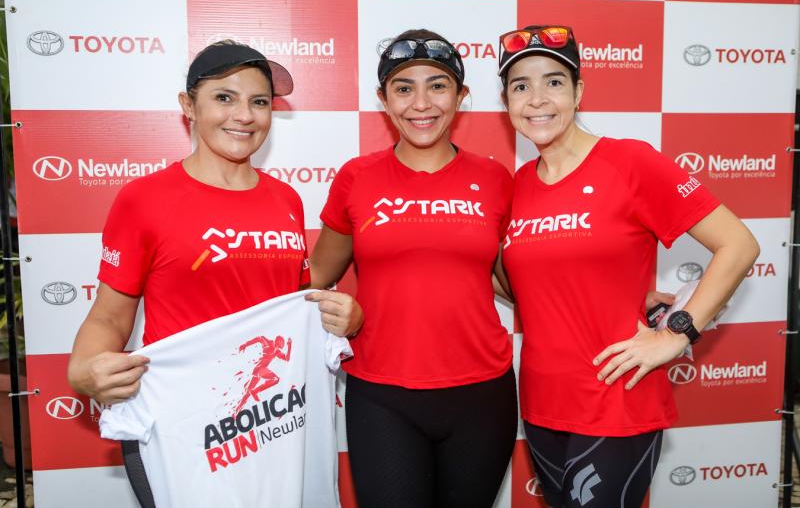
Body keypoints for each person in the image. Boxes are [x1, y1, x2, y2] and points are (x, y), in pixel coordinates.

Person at [496, 25, 760, 508]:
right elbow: (530, 284)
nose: (537, 99)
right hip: (541, 405)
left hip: (617, 400)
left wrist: (678, 332)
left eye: (554, 81)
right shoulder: (518, 185)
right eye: (520, 86)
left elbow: (739, 245)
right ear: (506, 102)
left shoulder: (629, 161)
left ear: (578, 91)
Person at [68, 40, 363, 405]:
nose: (245, 115)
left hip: (275, 406)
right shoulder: (143, 198)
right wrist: (84, 368)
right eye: (225, 98)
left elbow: (294, 304)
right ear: (188, 105)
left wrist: (345, 317)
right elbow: (109, 317)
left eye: (259, 102)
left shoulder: (287, 199)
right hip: (184, 410)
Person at [311, 29, 518, 508]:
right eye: (404, 88)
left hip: (482, 393)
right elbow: (314, 278)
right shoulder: (355, 178)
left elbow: (522, 280)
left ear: (461, 97)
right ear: (383, 100)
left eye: (438, 86)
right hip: (381, 395)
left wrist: (622, 297)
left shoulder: (495, 179)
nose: (421, 103)